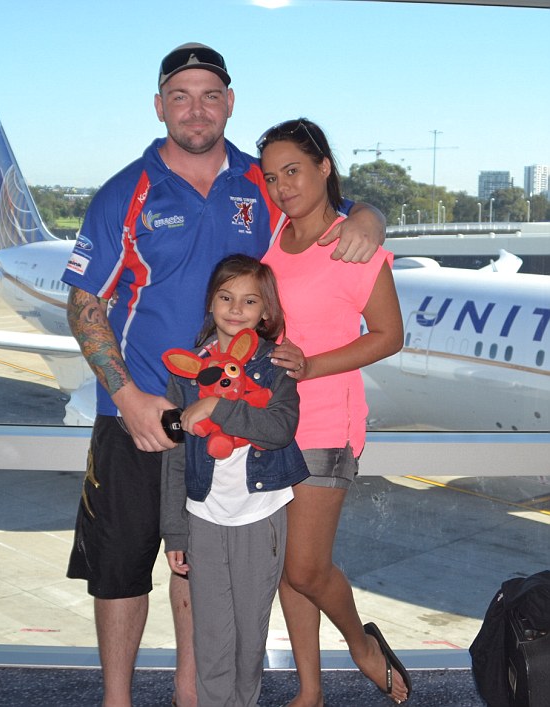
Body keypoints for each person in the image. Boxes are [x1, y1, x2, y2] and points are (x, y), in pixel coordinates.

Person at [61, 42, 386, 707]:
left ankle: (194, 693)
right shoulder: (126, 191)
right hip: (137, 411)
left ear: (230, 103)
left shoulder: (259, 183)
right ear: (159, 107)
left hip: (229, 419)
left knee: (201, 565)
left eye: (210, 95)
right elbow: (84, 301)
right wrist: (126, 395)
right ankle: (117, 700)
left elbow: (328, 209)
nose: (196, 109)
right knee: (120, 569)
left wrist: (370, 216)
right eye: (180, 97)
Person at [258, 118, 410, 706]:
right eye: (273, 177)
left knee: (305, 567)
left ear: (324, 167)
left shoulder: (354, 245)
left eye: (294, 171)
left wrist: (311, 365)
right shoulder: (275, 235)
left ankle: (361, 645)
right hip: (272, 423)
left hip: (325, 422)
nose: (283, 187)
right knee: (287, 569)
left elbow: (389, 335)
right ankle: (310, 691)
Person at [160, 254, 309, 706]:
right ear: (211, 302)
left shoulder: (277, 365)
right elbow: (176, 458)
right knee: (211, 638)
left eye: (249, 300)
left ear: (266, 311)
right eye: (226, 297)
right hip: (203, 517)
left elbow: (280, 429)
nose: (236, 309)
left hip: (259, 517)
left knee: (249, 639)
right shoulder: (188, 370)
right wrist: (174, 531)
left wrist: (219, 408)